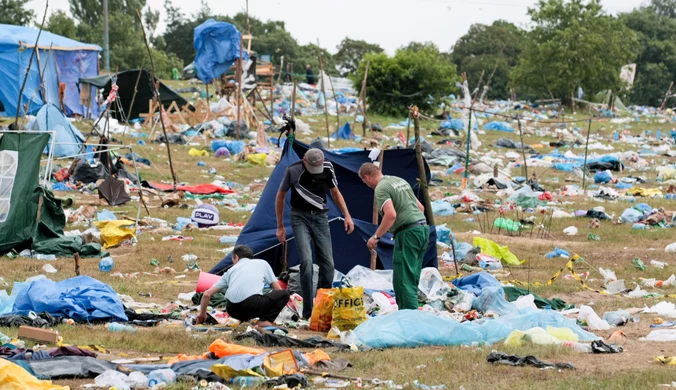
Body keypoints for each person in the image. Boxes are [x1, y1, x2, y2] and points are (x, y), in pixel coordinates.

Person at [276, 148, 354, 319]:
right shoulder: (293, 171)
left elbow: (335, 192)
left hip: (320, 218)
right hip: (299, 217)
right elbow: (280, 197)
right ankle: (308, 311)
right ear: (305, 160)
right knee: (306, 262)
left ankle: (322, 306)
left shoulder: (327, 168)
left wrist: (347, 215)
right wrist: (280, 226)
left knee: (328, 265)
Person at [358, 163, 429, 310]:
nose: (366, 185)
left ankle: (408, 317)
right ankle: (412, 310)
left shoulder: (381, 188)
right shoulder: (398, 180)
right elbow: (420, 208)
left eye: (364, 182)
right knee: (413, 275)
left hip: (408, 233)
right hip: (422, 229)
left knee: (403, 279)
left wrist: (376, 237)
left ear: (367, 176)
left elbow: (390, 215)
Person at [196, 245, 289, 327]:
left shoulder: (230, 271)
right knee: (284, 294)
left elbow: (207, 294)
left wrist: (202, 314)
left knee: (248, 299)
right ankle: (265, 321)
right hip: (253, 306)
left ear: (236, 257)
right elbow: (277, 290)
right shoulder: (262, 263)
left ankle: (244, 320)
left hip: (232, 310)